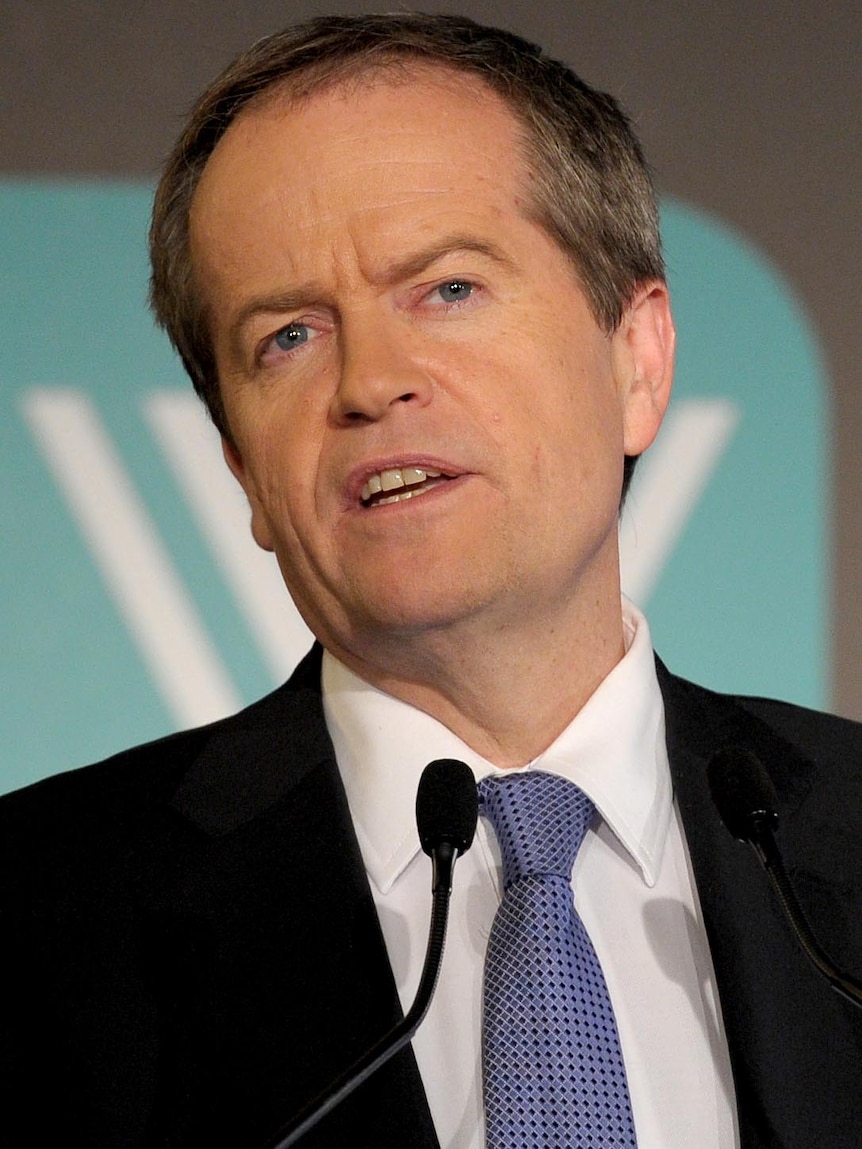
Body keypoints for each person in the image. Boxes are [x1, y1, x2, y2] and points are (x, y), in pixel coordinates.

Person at [2, 13, 861, 1149]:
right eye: (289, 337)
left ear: (637, 360)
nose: (372, 382)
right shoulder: (33, 926)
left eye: (446, 290)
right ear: (243, 469)